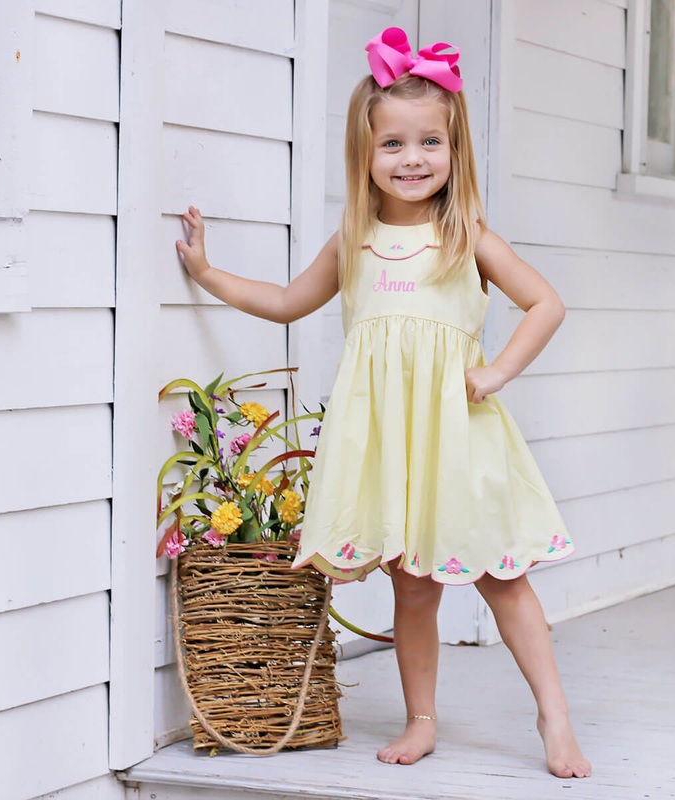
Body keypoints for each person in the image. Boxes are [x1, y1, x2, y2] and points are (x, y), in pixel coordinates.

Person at [175, 27, 591, 780]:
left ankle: (553, 716)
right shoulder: (353, 241)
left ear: (453, 150)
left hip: (458, 438)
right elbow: (284, 301)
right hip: (393, 446)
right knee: (414, 584)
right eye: (393, 144)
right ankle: (421, 718)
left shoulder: (466, 236)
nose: (412, 159)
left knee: (502, 577)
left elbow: (546, 304)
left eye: (430, 141)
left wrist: (496, 372)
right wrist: (209, 274)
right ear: (364, 155)